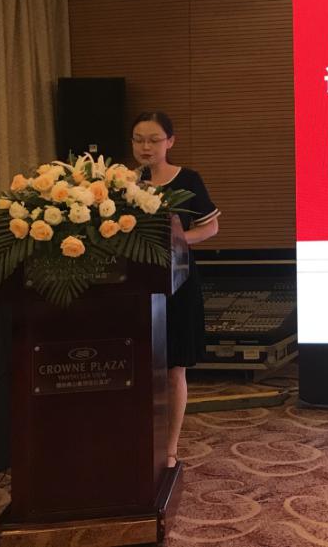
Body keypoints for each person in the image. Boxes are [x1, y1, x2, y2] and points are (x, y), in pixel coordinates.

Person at [131, 111, 220, 469]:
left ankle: (169, 449)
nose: (146, 147)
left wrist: (179, 240)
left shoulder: (188, 179)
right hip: (137, 283)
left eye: (154, 139)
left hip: (177, 280)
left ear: (170, 141)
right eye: (139, 139)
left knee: (173, 369)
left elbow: (210, 227)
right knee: (137, 368)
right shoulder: (124, 183)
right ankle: (138, 444)